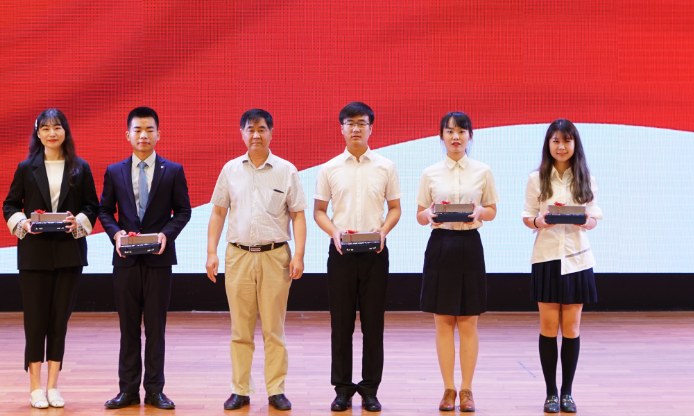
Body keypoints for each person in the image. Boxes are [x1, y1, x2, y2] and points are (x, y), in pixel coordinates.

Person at [205, 109, 308, 412]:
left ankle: (276, 390)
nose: (256, 135)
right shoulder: (230, 170)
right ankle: (240, 390)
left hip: (276, 257)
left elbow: (298, 215)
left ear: (271, 133)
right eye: (250, 129)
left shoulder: (286, 170)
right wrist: (211, 252)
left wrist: (299, 255)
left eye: (262, 129)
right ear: (242, 134)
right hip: (238, 256)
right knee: (240, 330)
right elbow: (218, 212)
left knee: (274, 330)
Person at [1, 108, 100, 409]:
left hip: (69, 255)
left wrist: (77, 221)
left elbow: (92, 206)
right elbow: (9, 205)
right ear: (38, 133)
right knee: (35, 321)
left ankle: (53, 386)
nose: (52, 133)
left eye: (57, 127)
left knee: (59, 321)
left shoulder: (80, 168)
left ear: (66, 131)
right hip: (34, 255)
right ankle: (35, 388)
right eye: (45, 128)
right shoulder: (25, 167)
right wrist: (23, 223)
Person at [97, 107, 192, 410]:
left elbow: (184, 211)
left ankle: (154, 390)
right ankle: (127, 391)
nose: (143, 135)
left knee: (155, 329)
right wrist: (116, 235)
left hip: (158, 261)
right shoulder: (114, 171)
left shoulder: (172, 171)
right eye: (137, 130)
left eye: (149, 129)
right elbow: (104, 211)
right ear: (127, 135)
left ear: (158, 134)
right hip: (125, 261)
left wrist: (166, 234)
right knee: (128, 329)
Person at [313, 102, 402, 413]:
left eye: (361, 123)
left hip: (375, 253)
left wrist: (384, 230)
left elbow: (395, 208)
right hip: (341, 253)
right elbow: (319, 212)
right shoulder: (329, 168)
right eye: (350, 123)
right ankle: (342, 389)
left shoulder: (386, 166)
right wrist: (334, 232)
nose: (355, 129)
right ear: (341, 128)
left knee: (373, 324)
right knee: (341, 324)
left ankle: (370, 389)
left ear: (370, 128)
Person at [415, 112, 498, 413]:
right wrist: (429, 215)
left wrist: (480, 213)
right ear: (441, 136)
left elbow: (491, 210)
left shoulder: (482, 171)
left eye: (461, 131)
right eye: (449, 131)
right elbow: (420, 215)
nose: (455, 137)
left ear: (470, 136)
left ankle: (467, 390)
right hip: (441, 245)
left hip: (470, 245)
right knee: (443, 322)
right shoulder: (430, 173)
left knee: (468, 322)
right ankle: (448, 389)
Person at [521, 119, 603, 414]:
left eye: (566, 141)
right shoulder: (536, 178)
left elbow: (593, 219)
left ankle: (567, 393)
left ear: (574, 144)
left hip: (577, 259)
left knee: (571, 328)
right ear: (548, 144)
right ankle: (550, 394)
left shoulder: (585, 178)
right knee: (547, 327)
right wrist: (539, 221)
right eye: (555, 141)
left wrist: (585, 221)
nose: (561, 146)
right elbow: (528, 217)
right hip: (546, 258)